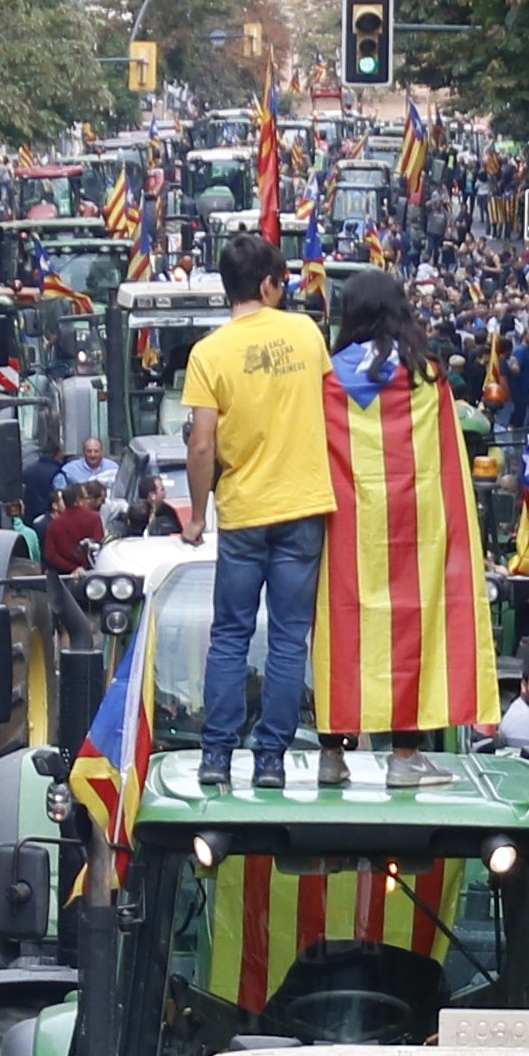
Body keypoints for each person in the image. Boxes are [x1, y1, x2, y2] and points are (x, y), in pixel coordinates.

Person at [179, 231, 335, 787]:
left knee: (230, 636)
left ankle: (217, 755)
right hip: (304, 507)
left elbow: (201, 446)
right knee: (291, 638)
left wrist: (197, 516)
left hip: (243, 513)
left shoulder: (208, 353)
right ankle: (271, 759)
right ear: (269, 284)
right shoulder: (306, 333)